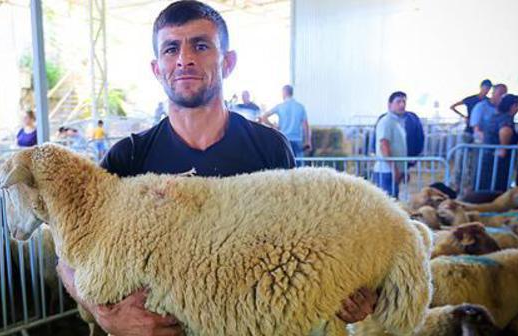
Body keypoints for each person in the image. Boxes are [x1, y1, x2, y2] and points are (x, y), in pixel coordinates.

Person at [56, 2, 377, 335]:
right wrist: (105, 314)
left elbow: (305, 241)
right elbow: (70, 258)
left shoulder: (269, 148)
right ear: (156, 68)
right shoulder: (128, 158)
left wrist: (347, 286)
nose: (184, 59)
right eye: (171, 48)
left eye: (200, 45)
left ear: (228, 61)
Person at [479, 94, 518, 191]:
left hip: (488, 155)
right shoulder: (506, 118)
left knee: (486, 183)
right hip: (498, 158)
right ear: (513, 106)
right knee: (496, 185)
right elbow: (505, 130)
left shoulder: (494, 116)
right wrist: (504, 148)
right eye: (517, 106)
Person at [261, 85, 312, 158]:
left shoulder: (280, 106)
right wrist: (308, 141)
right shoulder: (300, 107)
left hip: (284, 139)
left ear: (284, 93)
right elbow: (306, 126)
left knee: (285, 165)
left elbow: (264, 117)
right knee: (299, 167)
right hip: (297, 140)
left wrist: (273, 126)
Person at [374, 91, 408, 198]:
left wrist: (403, 169)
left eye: (404, 102)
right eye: (398, 102)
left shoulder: (397, 122)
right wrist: (394, 169)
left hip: (392, 172)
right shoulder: (386, 121)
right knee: (386, 206)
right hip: (386, 171)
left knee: (392, 203)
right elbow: (384, 145)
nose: (402, 105)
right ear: (389, 105)